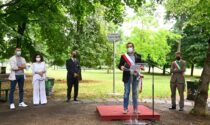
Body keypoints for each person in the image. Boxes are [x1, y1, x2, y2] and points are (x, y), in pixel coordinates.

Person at [118, 42, 144, 114]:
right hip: (127, 76)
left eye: (131, 46)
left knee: (135, 93)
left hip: (135, 76)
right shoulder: (124, 56)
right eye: (128, 47)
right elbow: (119, 65)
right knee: (126, 92)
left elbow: (141, 65)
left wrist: (142, 67)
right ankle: (125, 108)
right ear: (127, 48)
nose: (129, 48)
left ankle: (135, 109)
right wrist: (121, 67)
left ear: (133, 47)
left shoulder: (138, 56)